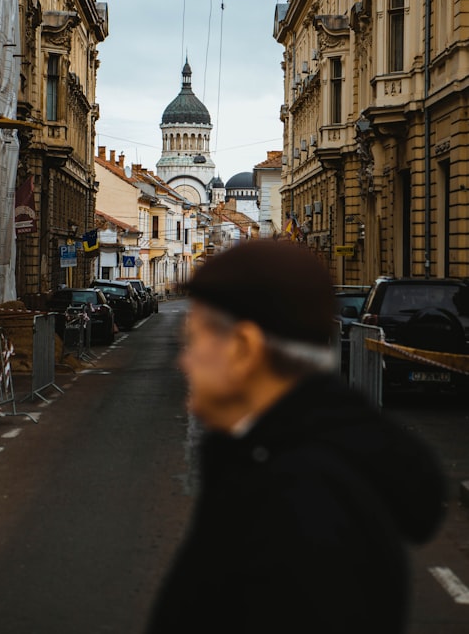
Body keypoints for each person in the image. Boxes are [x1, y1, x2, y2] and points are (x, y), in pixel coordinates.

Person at [145, 240, 445, 634]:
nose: (184, 360)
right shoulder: (278, 455)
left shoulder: (300, 502)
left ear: (244, 349)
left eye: (196, 340)